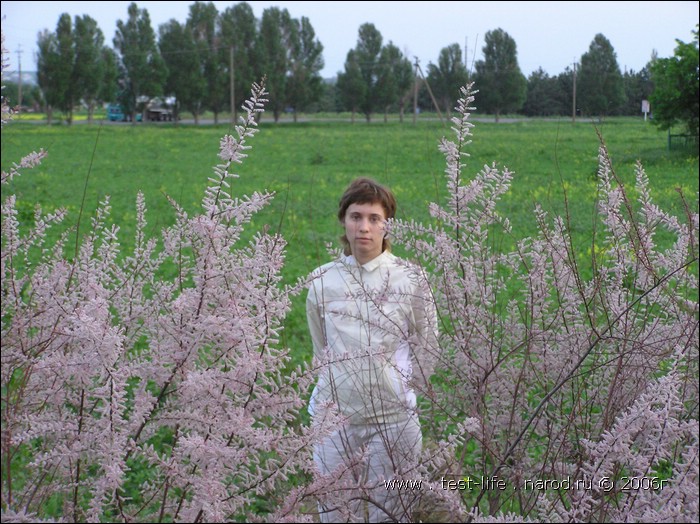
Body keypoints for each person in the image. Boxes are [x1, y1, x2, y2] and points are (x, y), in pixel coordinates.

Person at [306, 177, 439, 522]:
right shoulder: (321, 281)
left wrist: (400, 388)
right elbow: (322, 349)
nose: (364, 227)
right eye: (355, 216)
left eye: (374, 218)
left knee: (392, 514)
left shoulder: (410, 279)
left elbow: (428, 346)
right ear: (343, 221)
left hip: (394, 420)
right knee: (334, 512)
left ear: (387, 224)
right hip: (334, 418)